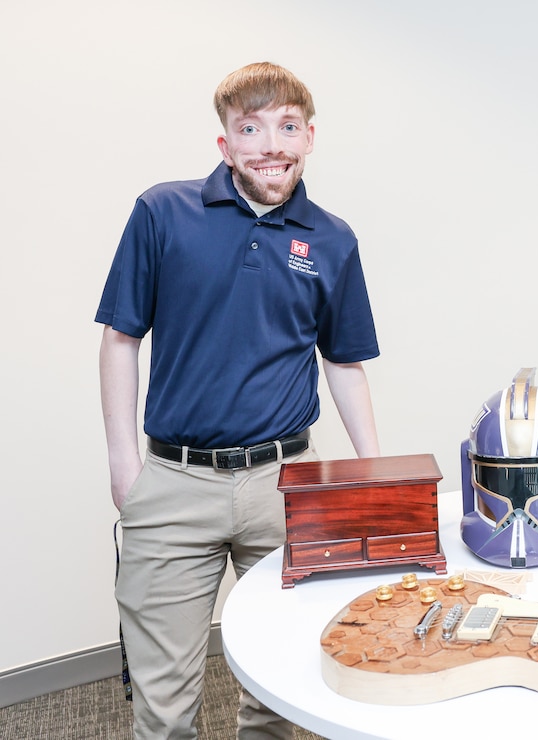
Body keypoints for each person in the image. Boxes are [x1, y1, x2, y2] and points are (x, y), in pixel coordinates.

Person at [96, 61, 381, 738]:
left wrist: (372, 471)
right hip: (174, 485)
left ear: (310, 136)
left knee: (282, 691)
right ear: (225, 144)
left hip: (286, 488)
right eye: (250, 128)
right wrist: (123, 467)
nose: (270, 143)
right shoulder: (163, 213)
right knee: (163, 709)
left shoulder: (333, 240)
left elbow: (343, 364)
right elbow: (119, 341)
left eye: (286, 126)